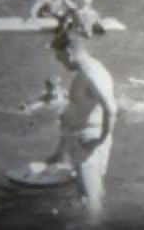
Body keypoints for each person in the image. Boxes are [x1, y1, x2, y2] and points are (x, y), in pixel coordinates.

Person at [45, 30, 118, 219]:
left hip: (88, 142)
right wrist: (59, 151)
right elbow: (78, 109)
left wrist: (100, 138)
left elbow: (111, 108)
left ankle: (93, 225)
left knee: (91, 197)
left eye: (61, 58)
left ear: (69, 51)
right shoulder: (85, 72)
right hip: (81, 141)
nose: (61, 63)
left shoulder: (93, 74)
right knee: (88, 195)